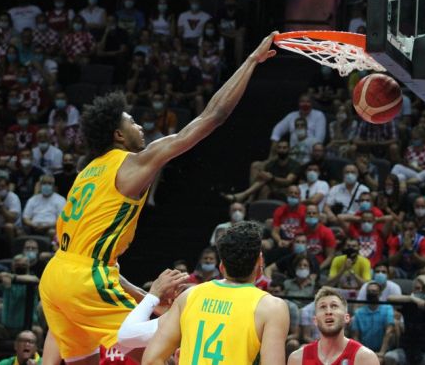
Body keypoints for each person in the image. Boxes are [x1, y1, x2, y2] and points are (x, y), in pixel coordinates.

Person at [39, 33, 278, 364]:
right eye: (132, 122)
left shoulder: (87, 173)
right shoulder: (132, 163)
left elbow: (96, 260)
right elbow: (212, 117)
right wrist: (251, 61)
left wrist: (143, 296)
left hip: (55, 277)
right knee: (166, 346)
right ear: (118, 135)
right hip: (84, 279)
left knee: (88, 361)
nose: (140, 127)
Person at [141, 221, 289, 364]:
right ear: (260, 261)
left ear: (221, 265)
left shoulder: (189, 296)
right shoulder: (272, 308)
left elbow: (151, 360)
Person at [287, 286, 380, 364]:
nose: (328, 312)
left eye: (334, 306)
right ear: (315, 320)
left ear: (346, 318)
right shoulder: (297, 359)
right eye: (323, 307)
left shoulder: (365, 358)